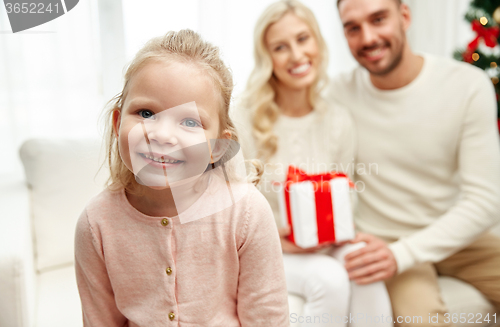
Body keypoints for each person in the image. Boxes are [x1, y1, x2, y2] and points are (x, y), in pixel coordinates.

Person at [74, 29, 289, 326]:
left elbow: (267, 320)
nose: (162, 135)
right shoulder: (96, 223)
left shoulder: (247, 212)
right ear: (117, 122)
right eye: (146, 113)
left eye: (190, 122)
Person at [330, 0, 500, 325]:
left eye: (378, 19)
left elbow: (486, 200)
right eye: (353, 27)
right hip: (385, 240)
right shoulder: (337, 94)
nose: (367, 37)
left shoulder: (467, 86)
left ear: (404, 16)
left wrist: (405, 253)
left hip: (459, 238)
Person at [232, 1, 393, 326]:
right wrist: (279, 240)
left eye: (303, 39)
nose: (295, 55)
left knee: (366, 270)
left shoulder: (337, 120)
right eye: (280, 47)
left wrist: (342, 230)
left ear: (317, 42)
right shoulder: (243, 118)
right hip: (267, 249)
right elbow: (229, 209)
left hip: (322, 245)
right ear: (267, 58)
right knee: (330, 278)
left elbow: (344, 194)